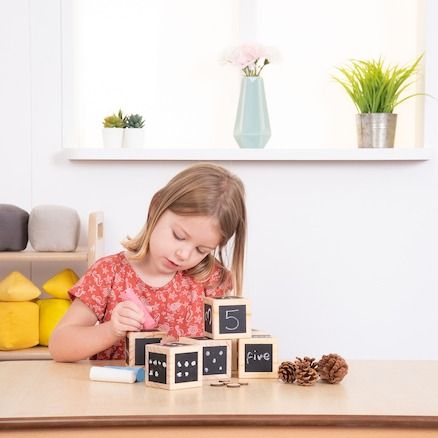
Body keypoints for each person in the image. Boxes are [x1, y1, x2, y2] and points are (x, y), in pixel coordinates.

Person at [49, 163, 247, 362]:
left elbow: (230, 353)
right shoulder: (108, 273)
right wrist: (111, 330)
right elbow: (59, 346)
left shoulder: (211, 279)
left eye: (201, 250)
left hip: (188, 393)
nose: (184, 254)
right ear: (156, 207)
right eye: (179, 236)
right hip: (119, 391)